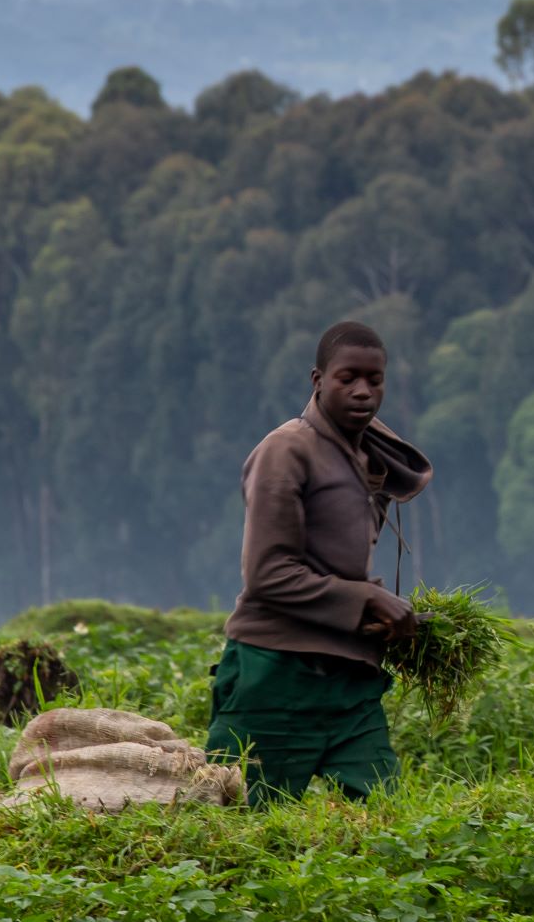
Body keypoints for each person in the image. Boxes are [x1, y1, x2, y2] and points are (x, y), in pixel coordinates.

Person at [204, 320, 431, 803]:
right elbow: (268, 575)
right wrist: (367, 596)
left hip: (348, 682)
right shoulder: (286, 451)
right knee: (241, 831)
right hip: (273, 677)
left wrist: (381, 615)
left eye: (375, 380)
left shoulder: (368, 455)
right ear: (318, 381)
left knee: (389, 821)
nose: (363, 392)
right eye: (347, 378)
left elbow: (337, 564)